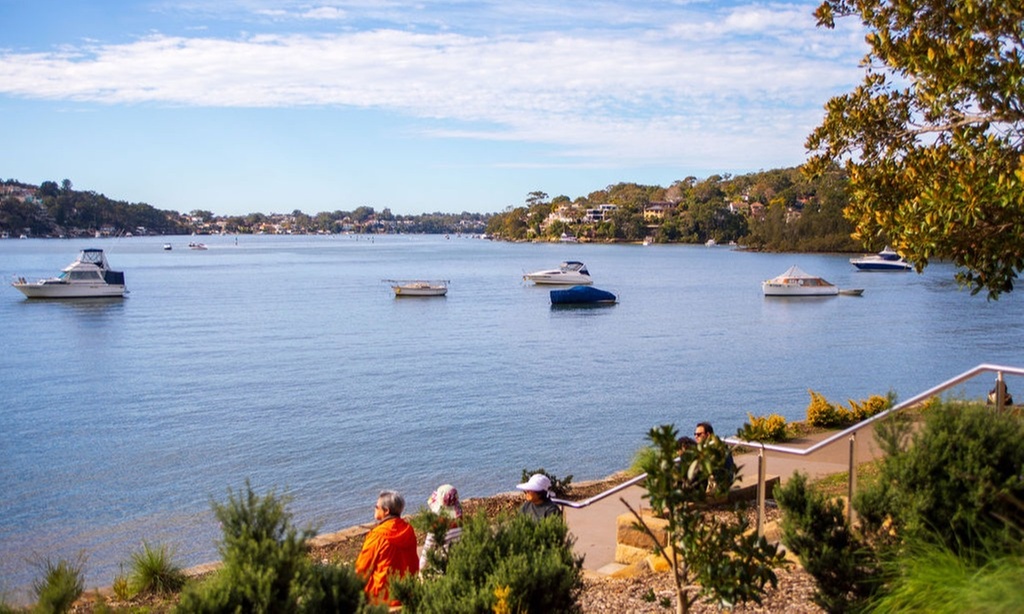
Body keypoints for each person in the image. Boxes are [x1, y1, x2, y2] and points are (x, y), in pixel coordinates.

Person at [355, 490, 419, 607]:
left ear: (386, 511)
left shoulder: (377, 536)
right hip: (406, 592)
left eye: (376, 507)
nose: (374, 509)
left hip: (381, 597)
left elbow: (362, 569)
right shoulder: (408, 530)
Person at [419, 483, 463, 572]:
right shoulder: (460, 521)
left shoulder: (436, 527)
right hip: (459, 561)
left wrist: (421, 570)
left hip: (442, 566)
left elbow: (427, 551)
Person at [694, 422, 737, 492]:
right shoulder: (719, 445)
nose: (696, 436)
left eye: (699, 434)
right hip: (726, 481)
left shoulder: (712, 450)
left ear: (708, 435)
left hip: (719, 484)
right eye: (695, 434)